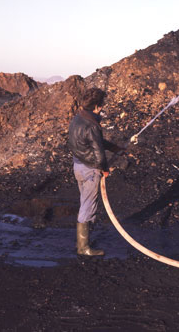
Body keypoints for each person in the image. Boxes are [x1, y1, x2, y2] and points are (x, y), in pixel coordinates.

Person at [68, 88, 124, 256]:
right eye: (101, 106)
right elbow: (98, 152)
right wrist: (104, 169)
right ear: (97, 106)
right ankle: (84, 248)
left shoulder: (77, 118)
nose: (102, 108)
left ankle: (82, 242)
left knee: (84, 201)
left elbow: (93, 142)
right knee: (88, 204)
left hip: (78, 165)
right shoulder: (92, 125)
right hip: (90, 170)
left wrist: (115, 148)